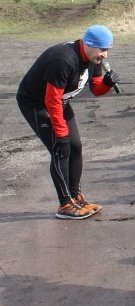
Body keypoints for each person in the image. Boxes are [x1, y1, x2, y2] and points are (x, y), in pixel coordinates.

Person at [16, 26, 120, 219]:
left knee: (76, 146)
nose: (105, 55)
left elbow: (96, 89)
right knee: (60, 148)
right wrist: (61, 133)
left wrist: (107, 83)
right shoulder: (63, 60)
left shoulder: (92, 57)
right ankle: (65, 204)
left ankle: (75, 197)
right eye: (102, 50)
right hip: (36, 102)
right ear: (88, 45)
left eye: (107, 50)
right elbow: (51, 100)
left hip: (59, 100)